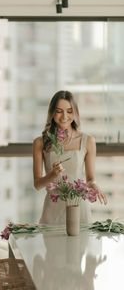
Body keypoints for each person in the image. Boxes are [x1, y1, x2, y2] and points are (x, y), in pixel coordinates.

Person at [33, 90, 107, 225]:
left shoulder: (88, 140)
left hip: (79, 210)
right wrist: (52, 174)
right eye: (59, 111)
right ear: (52, 113)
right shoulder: (40, 143)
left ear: (75, 113)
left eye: (69, 111)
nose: (64, 116)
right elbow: (37, 184)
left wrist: (95, 186)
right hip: (52, 211)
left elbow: (90, 179)